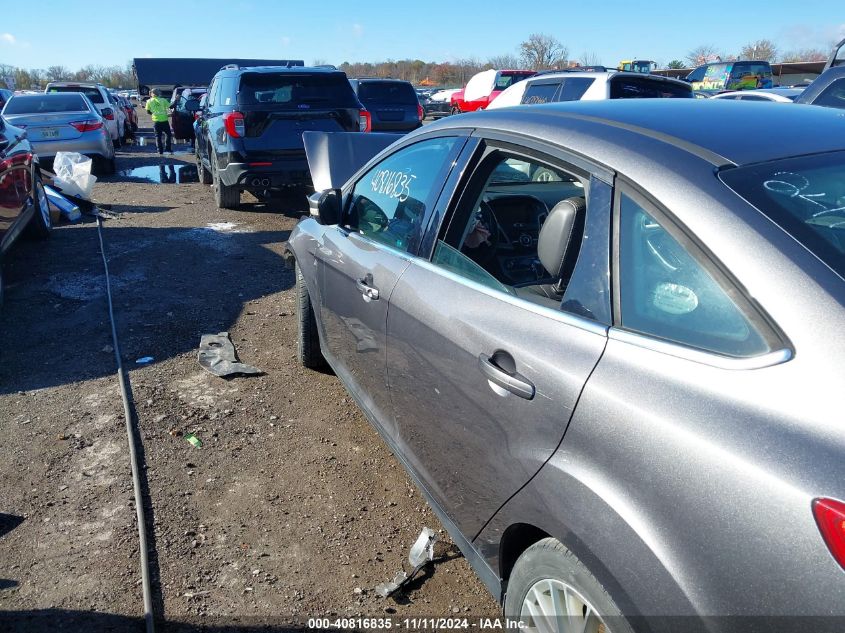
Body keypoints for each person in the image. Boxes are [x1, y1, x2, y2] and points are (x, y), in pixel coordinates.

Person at [145, 88, 173, 155]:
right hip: (164, 120)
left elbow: (148, 111)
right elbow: (171, 106)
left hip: (156, 121)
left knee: (158, 136)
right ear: (158, 93)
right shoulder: (163, 100)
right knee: (168, 135)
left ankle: (160, 150)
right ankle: (168, 148)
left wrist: (154, 114)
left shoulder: (149, 101)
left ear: (151, 93)